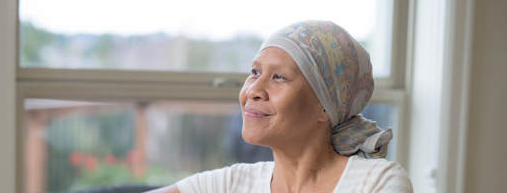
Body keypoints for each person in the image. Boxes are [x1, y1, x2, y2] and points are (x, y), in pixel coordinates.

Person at [147, 20, 413, 193]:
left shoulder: (379, 183)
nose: (252, 90)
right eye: (254, 72)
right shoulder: (232, 183)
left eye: (278, 77)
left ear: (324, 106)